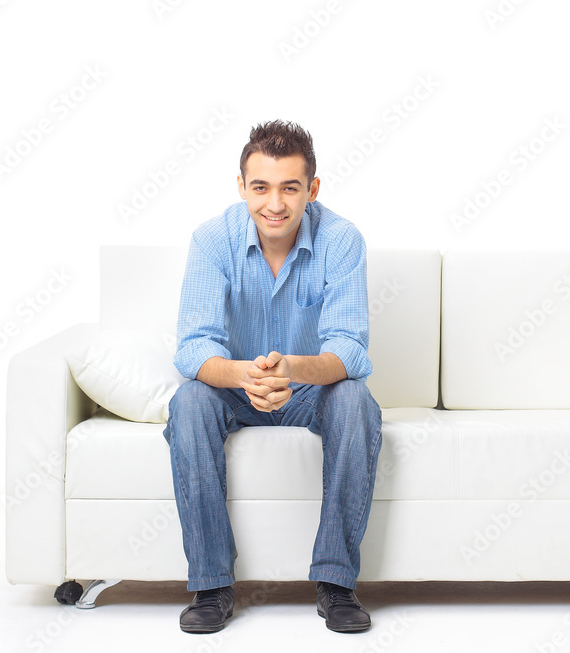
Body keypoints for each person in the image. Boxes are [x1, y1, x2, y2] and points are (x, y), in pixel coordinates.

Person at [163, 120, 382, 634]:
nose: (275, 204)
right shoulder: (212, 239)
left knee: (356, 400)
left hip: (309, 391)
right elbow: (194, 347)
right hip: (234, 391)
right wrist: (246, 375)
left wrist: (292, 370)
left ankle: (335, 581)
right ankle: (212, 584)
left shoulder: (342, 240)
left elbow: (349, 349)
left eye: (290, 187)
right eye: (260, 187)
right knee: (189, 401)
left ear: (312, 189)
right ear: (241, 186)